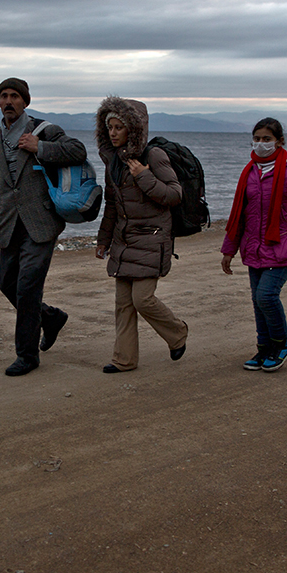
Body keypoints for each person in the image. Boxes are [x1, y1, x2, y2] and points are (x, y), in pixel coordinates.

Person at [0, 78, 87, 376]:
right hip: (9, 224)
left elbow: (78, 151)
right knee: (7, 285)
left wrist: (42, 147)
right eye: (3, 96)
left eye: (14, 96)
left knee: (27, 288)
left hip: (41, 223)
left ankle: (27, 355)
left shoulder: (45, 130)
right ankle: (50, 319)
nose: (8, 101)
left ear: (25, 101)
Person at [92, 96, 189, 374]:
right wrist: (103, 240)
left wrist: (144, 177)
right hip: (123, 241)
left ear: (133, 129)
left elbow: (174, 194)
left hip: (151, 239)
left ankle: (177, 333)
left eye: (118, 127)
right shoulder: (113, 160)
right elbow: (113, 204)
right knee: (123, 304)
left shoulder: (153, 156)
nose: (112, 133)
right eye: (109, 127)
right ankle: (124, 360)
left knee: (142, 299)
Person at [221, 118, 287, 371]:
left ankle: (282, 344)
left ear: (280, 141)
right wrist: (228, 250)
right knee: (257, 301)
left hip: (283, 246)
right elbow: (241, 215)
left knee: (266, 296)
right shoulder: (251, 171)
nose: (261, 144)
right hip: (254, 247)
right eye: (257, 138)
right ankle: (264, 349)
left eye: (266, 139)